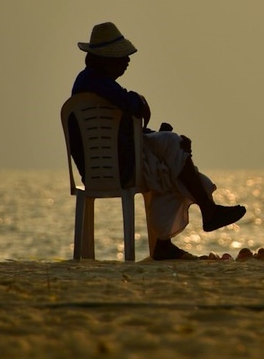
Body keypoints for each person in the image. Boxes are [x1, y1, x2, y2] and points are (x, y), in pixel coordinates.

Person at [71, 22, 247, 260]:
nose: (127, 60)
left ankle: (181, 232)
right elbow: (134, 106)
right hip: (122, 169)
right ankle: (204, 214)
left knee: (173, 154)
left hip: (95, 172)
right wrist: (140, 101)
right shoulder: (99, 84)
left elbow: (117, 134)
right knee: (174, 161)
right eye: (121, 56)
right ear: (104, 59)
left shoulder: (86, 87)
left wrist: (153, 134)